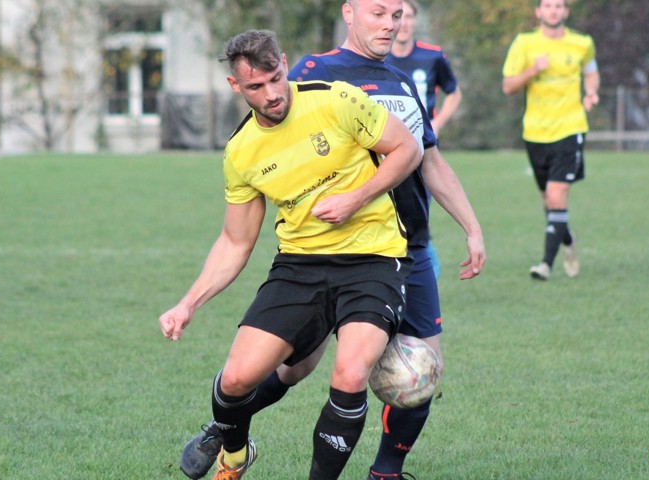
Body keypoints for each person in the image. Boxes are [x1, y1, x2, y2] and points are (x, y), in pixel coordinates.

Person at [179, 2, 486, 480]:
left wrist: (470, 224)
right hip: (314, 255)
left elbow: (425, 156)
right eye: (379, 12)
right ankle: (228, 430)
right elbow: (242, 228)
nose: (390, 23)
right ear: (350, 13)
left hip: (399, 248)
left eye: (397, 13)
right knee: (291, 368)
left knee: (416, 373)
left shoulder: (399, 80)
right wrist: (189, 301)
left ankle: (386, 471)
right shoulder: (315, 77)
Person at [502, 0, 599, 280]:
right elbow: (508, 86)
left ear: (566, 12)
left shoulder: (582, 43)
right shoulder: (524, 43)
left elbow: (591, 72)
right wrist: (533, 70)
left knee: (556, 196)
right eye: (548, 5)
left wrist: (591, 92)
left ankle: (545, 264)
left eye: (559, 6)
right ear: (538, 12)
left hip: (570, 128)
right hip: (535, 132)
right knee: (549, 201)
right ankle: (567, 238)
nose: (554, 10)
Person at [386, 0, 464, 279]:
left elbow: (454, 92)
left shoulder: (432, 56)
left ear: (415, 21)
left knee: (417, 215)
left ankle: (424, 271)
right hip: (386, 148)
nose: (403, 23)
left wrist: (438, 121)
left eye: (408, 17)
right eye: (398, 17)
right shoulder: (378, 59)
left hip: (422, 148)